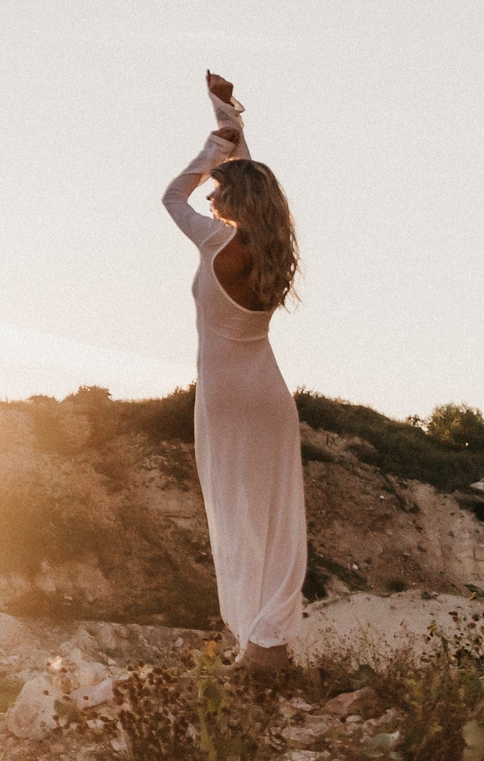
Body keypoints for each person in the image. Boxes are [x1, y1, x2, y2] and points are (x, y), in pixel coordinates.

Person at [162, 71, 307, 673]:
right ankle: (267, 641)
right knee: (276, 513)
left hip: (223, 396)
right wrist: (228, 124)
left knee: (234, 511)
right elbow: (248, 176)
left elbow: (173, 195)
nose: (208, 198)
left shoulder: (214, 245)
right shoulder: (271, 250)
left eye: (217, 192)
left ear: (235, 200)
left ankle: (255, 640)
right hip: (269, 394)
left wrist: (209, 151)